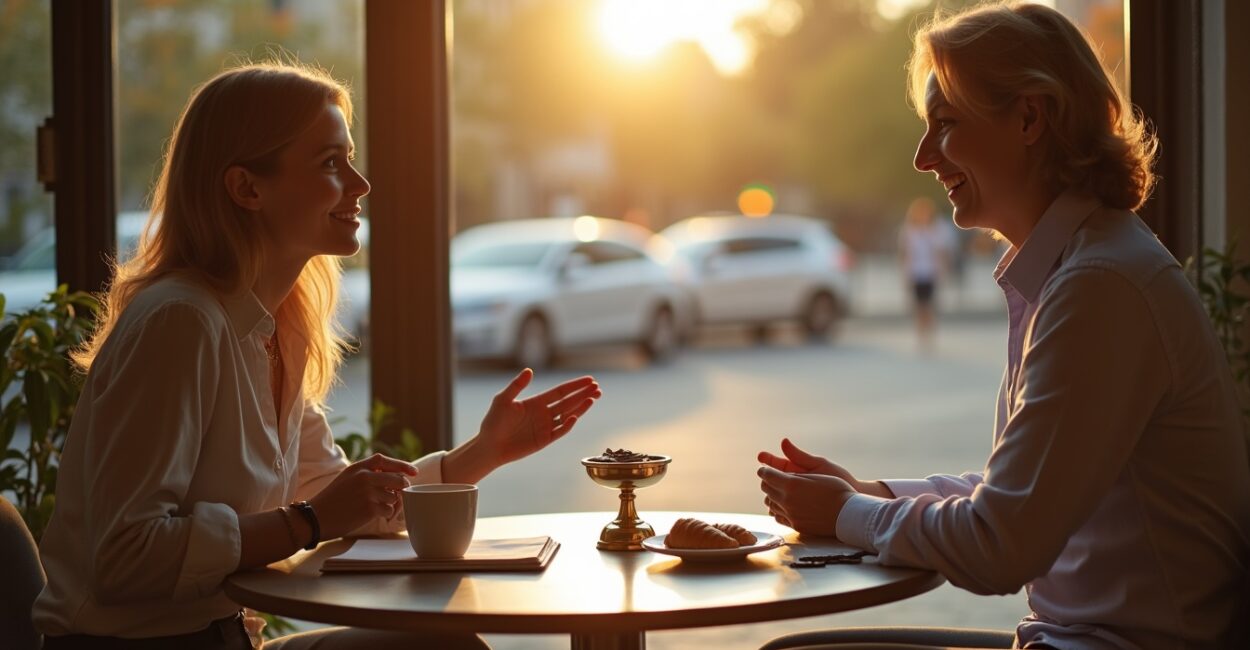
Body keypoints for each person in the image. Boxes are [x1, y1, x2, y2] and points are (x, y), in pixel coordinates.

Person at [32, 61, 601, 650]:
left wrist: (482, 453)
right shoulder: (181, 322)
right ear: (247, 188)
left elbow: (338, 495)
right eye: (331, 163)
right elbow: (125, 558)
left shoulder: (276, 329)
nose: (360, 184)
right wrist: (307, 522)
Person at [758, 3, 1250, 648]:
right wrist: (866, 492)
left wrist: (850, 512)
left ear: (1028, 118)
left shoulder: (1100, 286)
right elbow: (1012, 496)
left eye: (945, 123)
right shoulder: (1088, 267)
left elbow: (999, 544)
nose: (921, 157)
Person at [897, 196, 951, 351]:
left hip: (931, 272)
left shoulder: (936, 230)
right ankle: (921, 336)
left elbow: (941, 252)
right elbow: (904, 253)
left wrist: (942, 271)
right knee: (919, 306)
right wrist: (904, 274)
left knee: (929, 305)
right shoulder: (909, 231)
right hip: (915, 272)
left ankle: (930, 336)